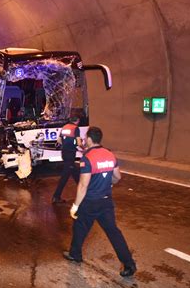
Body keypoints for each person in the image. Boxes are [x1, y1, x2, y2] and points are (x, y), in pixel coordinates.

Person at [63, 127, 136, 277]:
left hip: (90, 202)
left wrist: (75, 205)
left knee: (80, 227)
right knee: (114, 233)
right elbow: (117, 177)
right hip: (106, 201)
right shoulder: (110, 154)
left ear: (89, 139)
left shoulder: (87, 158)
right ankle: (129, 264)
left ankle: (75, 254)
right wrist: (109, 184)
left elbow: (83, 185)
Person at [52, 117, 83, 203]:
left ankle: (85, 193)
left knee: (75, 172)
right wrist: (83, 149)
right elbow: (79, 142)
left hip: (64, 153)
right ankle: (56, 196)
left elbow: (59, 140)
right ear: (77, 121)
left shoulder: (65, 127)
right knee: (65, 176)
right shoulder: (75, 128)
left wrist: (66, 145)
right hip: (70, 154)